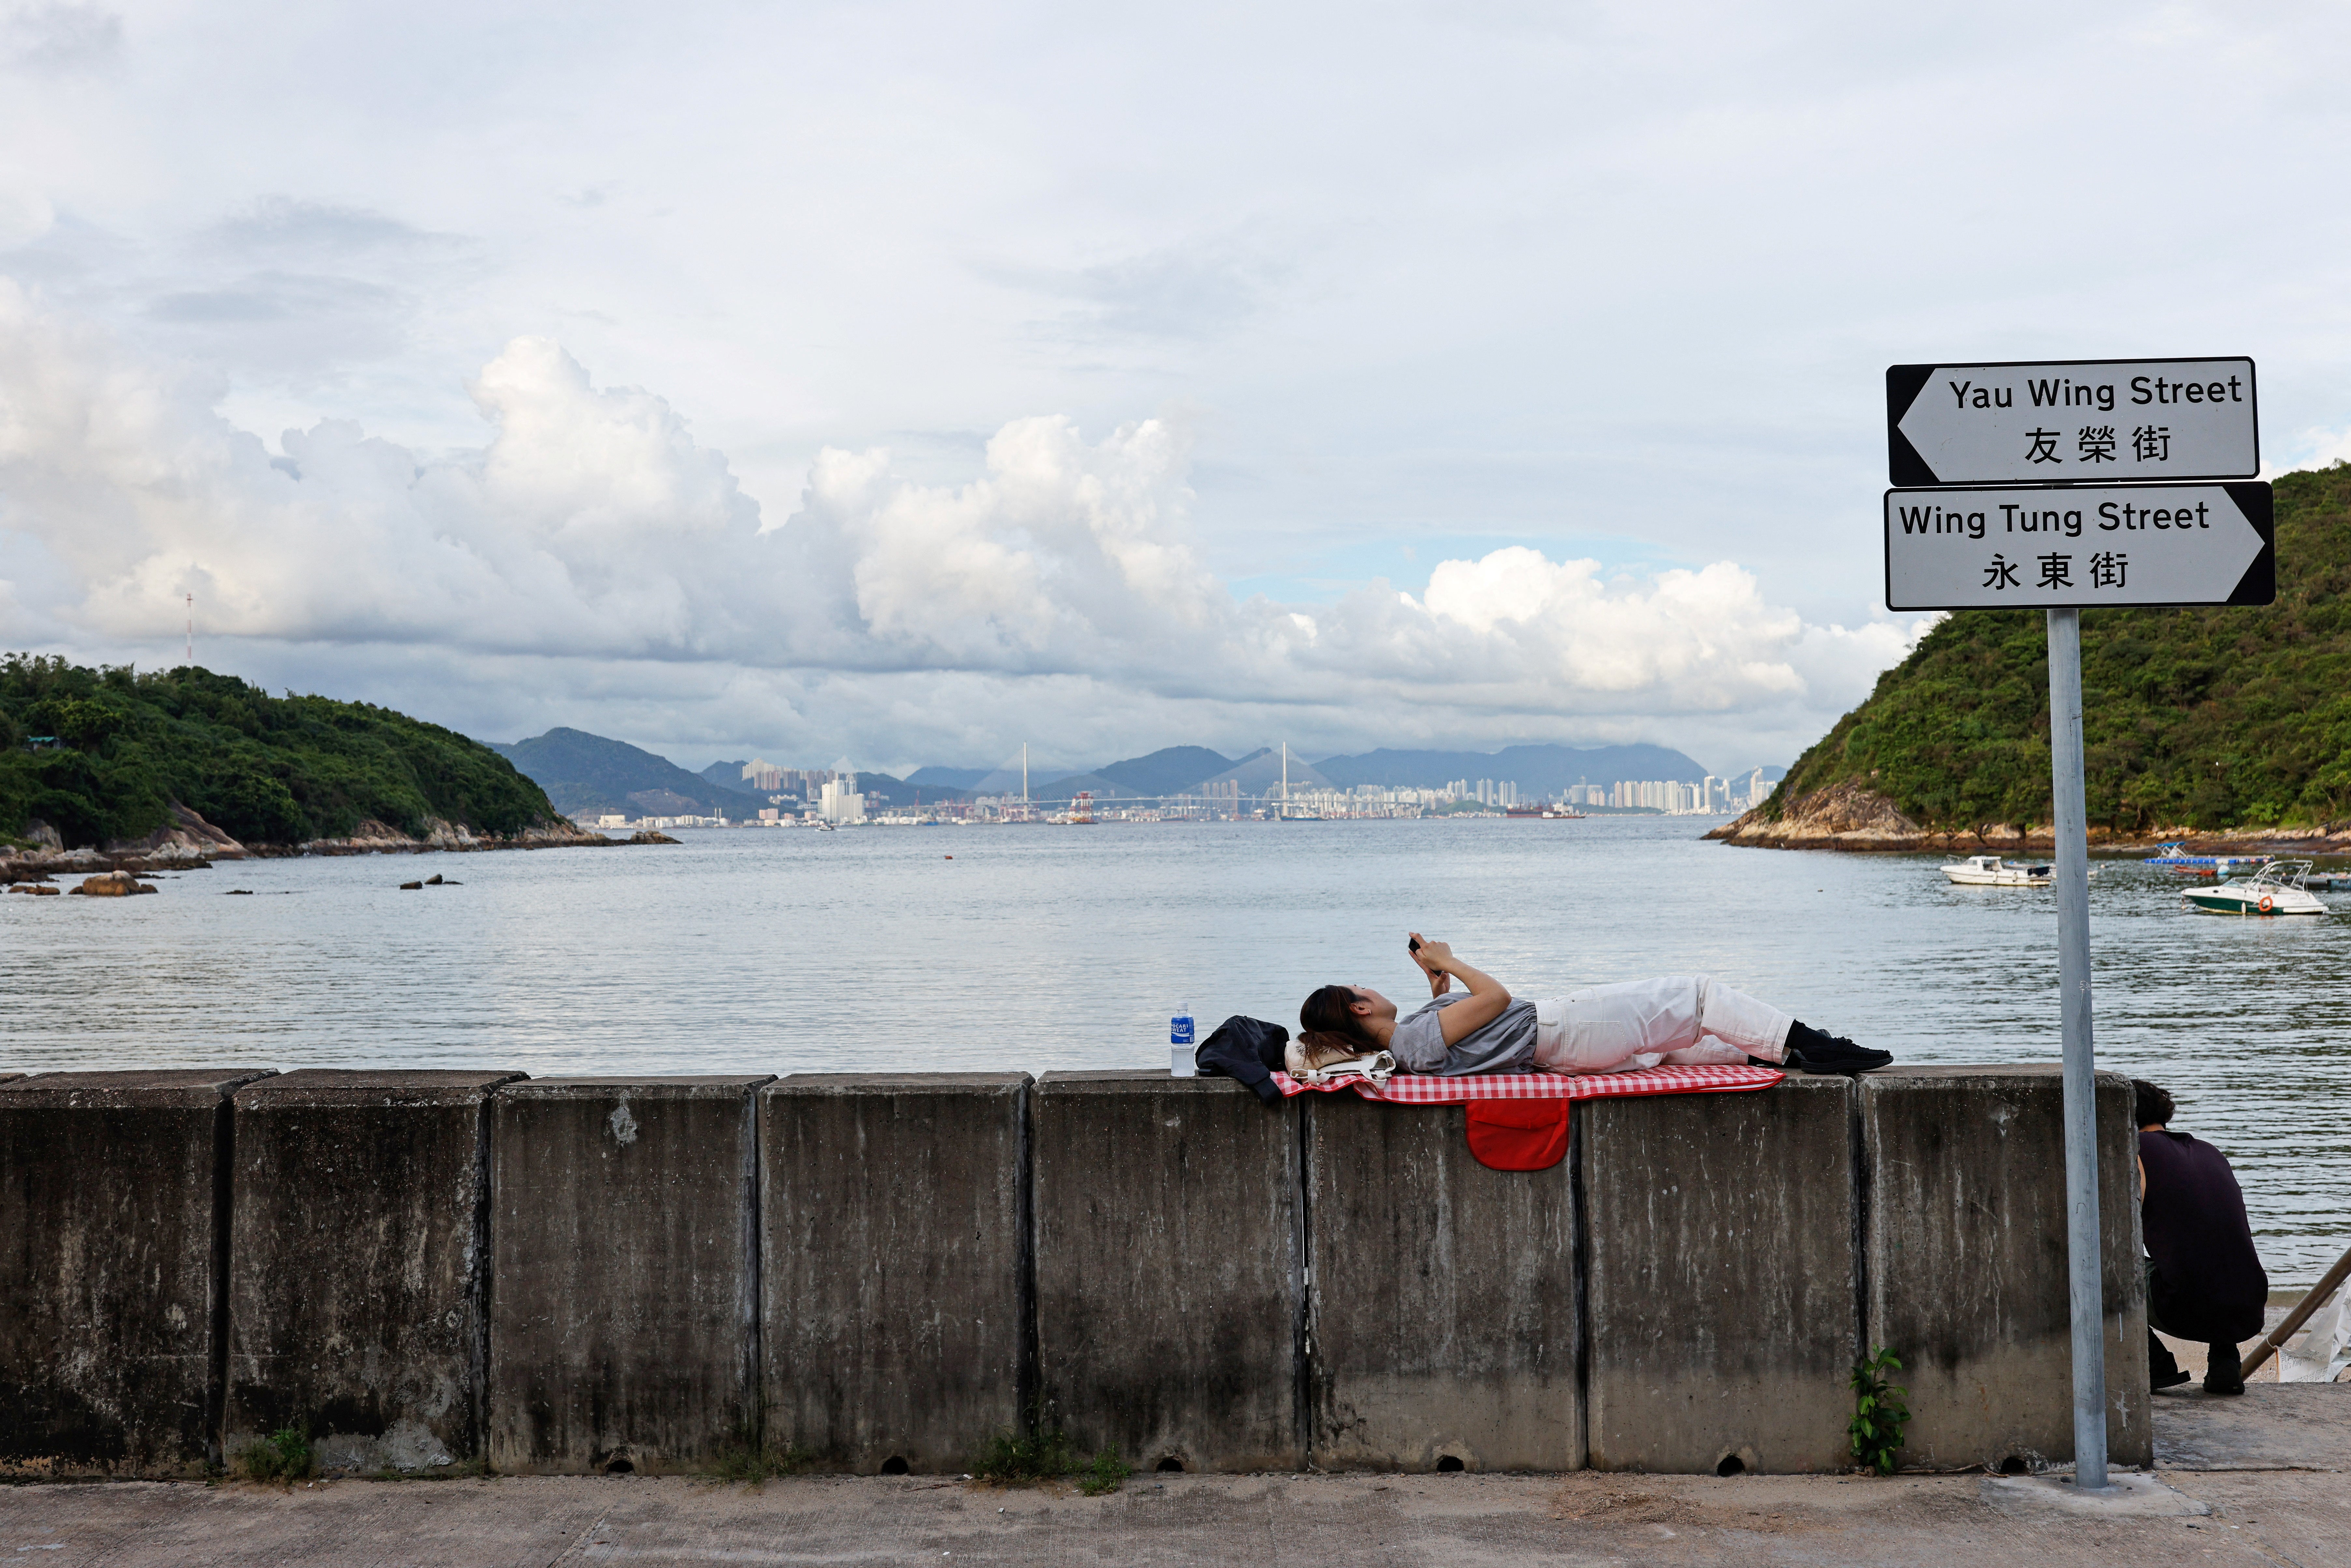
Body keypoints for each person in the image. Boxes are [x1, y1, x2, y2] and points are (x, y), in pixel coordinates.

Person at [1293, 933, 1892, 1077]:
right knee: (1697, 995)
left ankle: (1771, 1059)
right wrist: (1449, 959)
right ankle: (1815, 1046)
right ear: (1359, 1012)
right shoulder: (1409, 1041)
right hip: (1563, 1028)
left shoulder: (1408, 1039)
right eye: (1360, 993)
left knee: (1681, 1047)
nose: (1369, 988)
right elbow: (1497, 999)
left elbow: (1461, 1033)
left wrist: (1435, 987)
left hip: (1563, 1046)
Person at [2136, 1079, 2268, 1396]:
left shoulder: (2135, 1151)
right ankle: (2225, 1363)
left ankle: (2156, 1364)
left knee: (2088, 1271)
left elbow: (2117, 1228)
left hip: (2184, 1308)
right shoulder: (2208, 1150)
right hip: (2250, 1304)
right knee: (2213, 1254)